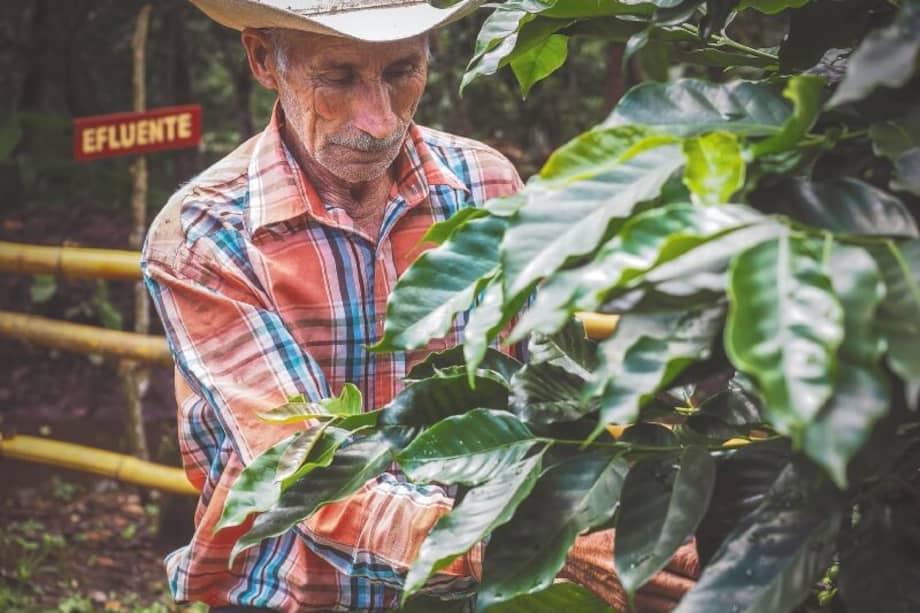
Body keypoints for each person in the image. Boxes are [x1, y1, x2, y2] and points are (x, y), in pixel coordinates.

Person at [142, 2, 698, 611]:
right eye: (338, 76)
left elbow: (550, 391)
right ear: (262, 60)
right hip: (288, 594)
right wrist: (541, 543)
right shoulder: (207, 233)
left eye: (403, 70)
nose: (379, 121)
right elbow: (298, 469)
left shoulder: (484, 186)